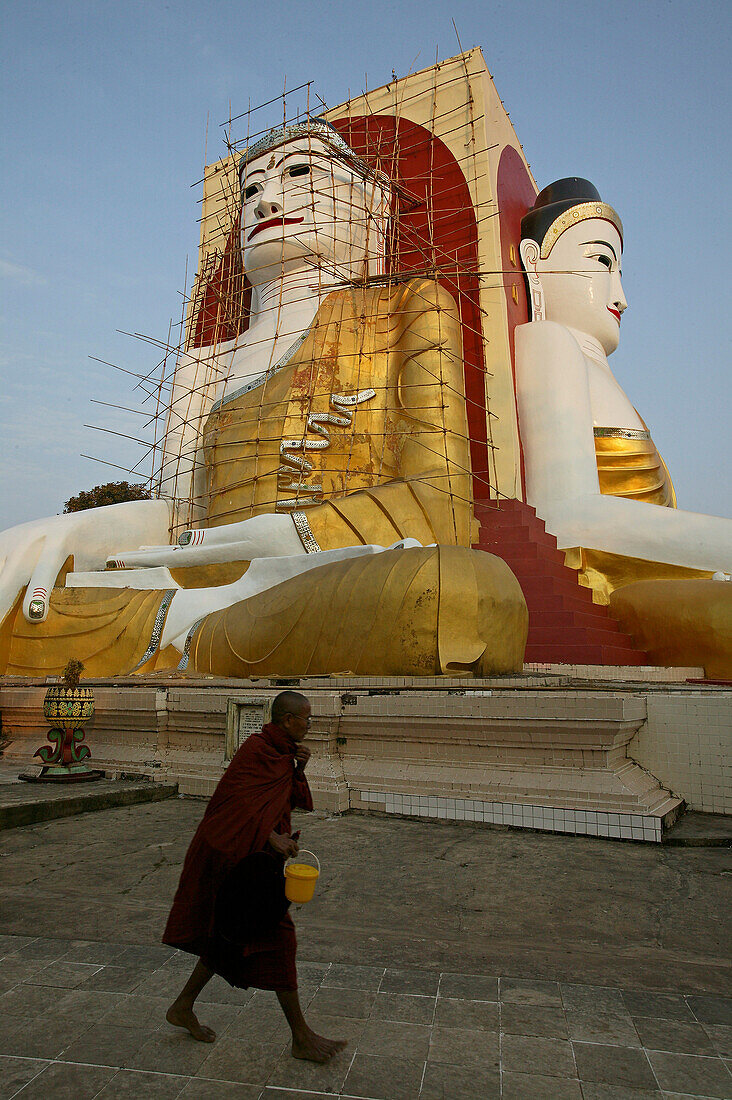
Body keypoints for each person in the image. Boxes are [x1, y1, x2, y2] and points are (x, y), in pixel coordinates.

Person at [0, 120, 528, 679]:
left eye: (300, 174)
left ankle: (186, 635)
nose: (266, 201)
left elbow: (437, 508)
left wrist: (285, 536)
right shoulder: (203, 365)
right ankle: (195, 627)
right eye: (250, 190)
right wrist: (75, 532)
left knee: (466, 591)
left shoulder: (409, 310)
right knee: (20, 591)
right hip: (192, 584)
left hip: (328, 576)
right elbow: (181, 520)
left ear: (370, 203)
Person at [516, 177, 731, 672]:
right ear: (534, 260)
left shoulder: (596, 367)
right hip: (607, 590)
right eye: (600, 262)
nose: (621, 296)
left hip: (659, 581)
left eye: (619, 271)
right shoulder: (550, 342)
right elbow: (563, 512)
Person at [163, 690, 346, 1063]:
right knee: (278, 939)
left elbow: (288, 800)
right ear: (287, 720)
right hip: (234, 855)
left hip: (258, 860)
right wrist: (270, 836)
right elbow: (236, 805)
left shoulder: (283, 753)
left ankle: (183, 1005)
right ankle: (301, 1037)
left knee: (231, 934)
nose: (310, 725)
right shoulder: (256, 750)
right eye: (306, 719)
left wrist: (299, 769)